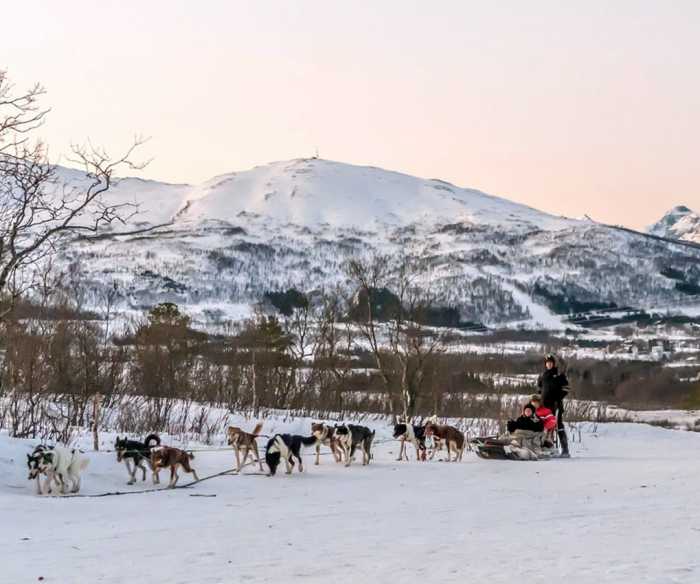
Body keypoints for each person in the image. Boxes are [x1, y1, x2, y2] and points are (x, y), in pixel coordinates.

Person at [537, 354, 570, 457]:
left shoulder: (559, 375)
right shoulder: (543, 376)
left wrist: (557, 398)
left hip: (556, 405)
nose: (549, 364)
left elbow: (566, 389)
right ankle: (546, 447)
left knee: (558, 426)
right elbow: (539, 389)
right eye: (547, 363)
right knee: (543, 427)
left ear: (554, 364)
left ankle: (565, 450)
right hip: (544, 406)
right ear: (545, 364)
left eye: (551, 363)